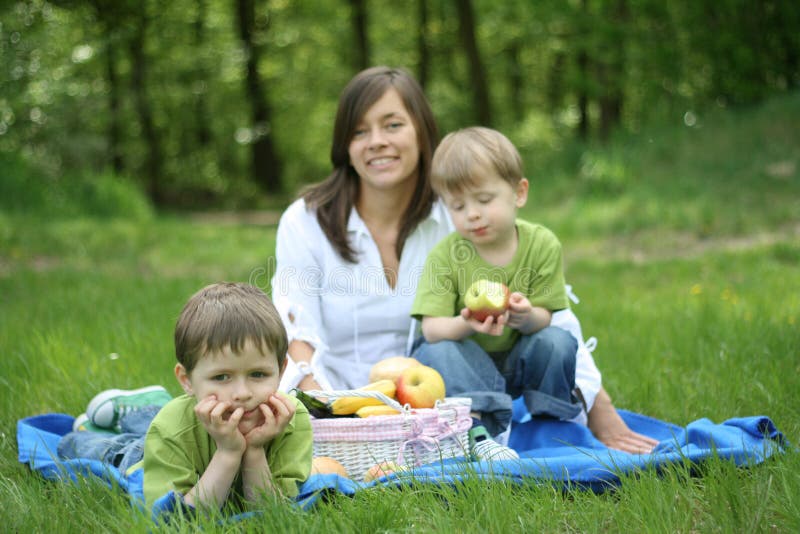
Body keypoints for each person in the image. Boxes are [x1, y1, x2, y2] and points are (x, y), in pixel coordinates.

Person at [271, 65, 657, 454]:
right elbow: (295, 331)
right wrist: (328, 416)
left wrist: (600, 407)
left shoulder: (459, 213)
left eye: (392, 125)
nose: (376, 141)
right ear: (344, 144)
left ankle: (498, 437)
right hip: (345, 405)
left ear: (422, 132)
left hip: (445, 407)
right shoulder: (306, 222)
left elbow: (549, 309)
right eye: (359, 131)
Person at [58, 282, 313, 514]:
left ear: (281, 371)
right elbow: (181, 520)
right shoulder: (171, 427)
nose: (242, 393)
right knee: (109, 449)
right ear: (187, 380)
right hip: (149, 454)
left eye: (258, 374)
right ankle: (91, 427)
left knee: (155, 422)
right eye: (222, 377)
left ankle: (148, 406)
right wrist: (227, 452)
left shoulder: (292, 419)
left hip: (186, 424)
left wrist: (254, 451)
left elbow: (272, 516)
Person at [410, 127, 582, 448]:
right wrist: (465, 323)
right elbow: (432, 329)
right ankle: (475, 430)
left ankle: (552, 423)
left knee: (557, 341)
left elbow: (545, 317)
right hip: (465, 365)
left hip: (517, 358)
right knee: (436, 351)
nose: (472, 214)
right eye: (457, 207)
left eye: (484, 200)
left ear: (519, 193)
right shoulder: (446, 255)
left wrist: (524, 316)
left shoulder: (542, 244)